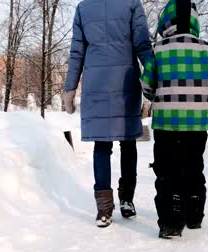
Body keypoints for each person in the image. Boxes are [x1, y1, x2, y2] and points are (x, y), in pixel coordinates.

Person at [140, 0, 208, 239]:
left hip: (166, 123)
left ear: (166, 22)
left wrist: (159, 92)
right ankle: (194, 215)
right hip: (196, 123)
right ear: (194, 22)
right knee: (193, 166)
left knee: (166, 170)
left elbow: (147, 85)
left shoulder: (157, 50)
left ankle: (170, 221)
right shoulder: (207, 49)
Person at [63, 0, 152, 228]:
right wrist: (154, 82)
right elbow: (143, 45)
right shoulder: (132, 3)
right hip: (126, 83)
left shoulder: (83, 8)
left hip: (96, 86)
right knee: (128, 142)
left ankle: (104, 210)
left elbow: (76, 53)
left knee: (102, 145)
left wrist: (70, 89)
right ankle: (127, 201)